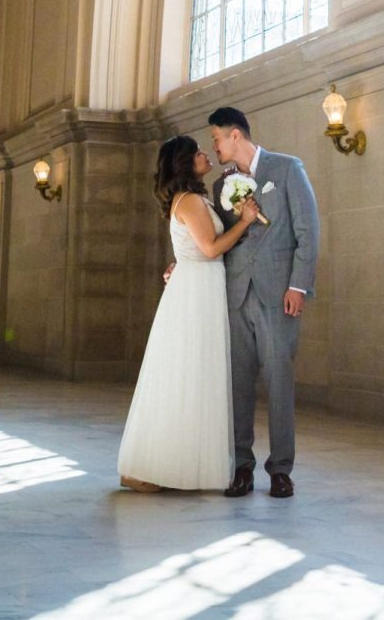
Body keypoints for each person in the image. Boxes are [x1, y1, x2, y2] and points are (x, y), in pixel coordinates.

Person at [117, 134, 260, 492]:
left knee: (191, 377)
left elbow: (194, 249)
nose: (204, 154)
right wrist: (245, 221)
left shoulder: (191, 199)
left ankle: (175, 464)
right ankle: (170, 467)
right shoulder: (191, 200)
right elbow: (210, 249)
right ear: (184, 162)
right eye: (197, 152)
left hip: (198, 287)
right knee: (190, 376)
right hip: (197, 292)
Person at [208, 105, 320, 499]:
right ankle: (241, 467)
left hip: (278, 295)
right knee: (238, 385)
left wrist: (298, 286)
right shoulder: (221, 185)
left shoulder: (288, 169)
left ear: (235, 134)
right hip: (236, 294)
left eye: (217, 139)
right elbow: (217, 238)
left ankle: (281, 470)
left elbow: (307, 231)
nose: (215, 147)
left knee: (278, 382)